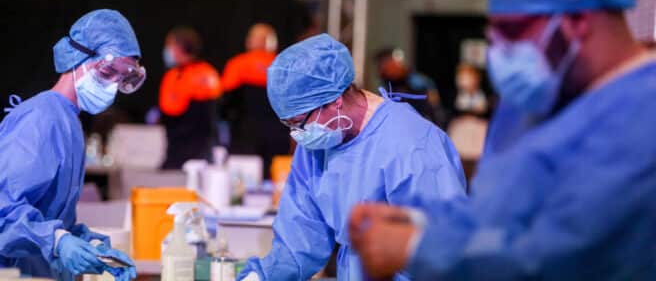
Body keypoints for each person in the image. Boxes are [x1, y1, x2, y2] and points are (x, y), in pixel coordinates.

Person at [349, 0, 656, 280]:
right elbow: (496, 216)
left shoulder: (642, 116)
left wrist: (418, 248)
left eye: (512, 31)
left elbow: (563, 253)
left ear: (577, 22)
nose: (500, 50)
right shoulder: (534, 103)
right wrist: (416, 221)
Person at [238, 34, 467, 281]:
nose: (298, 134)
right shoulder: (319, 141)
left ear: (334, 102)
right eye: (288, 124)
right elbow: (300, 237)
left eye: (298, 122)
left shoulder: (412, 146)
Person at [0, 9, 143, 280]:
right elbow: (3, 209)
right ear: (78, 56)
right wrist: (58, 242)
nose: (113, 86)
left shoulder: (68, 121)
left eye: (123, 78)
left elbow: (49, 217)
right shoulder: (40, 118)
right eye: (108, 71)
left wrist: (90, 245)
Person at [219, 23, 289, 178]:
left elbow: (224, 103)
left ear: (250, 41)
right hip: (278, 138)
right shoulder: (285, 67)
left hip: (245, 136)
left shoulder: (237, 65)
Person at [159, 26, 221, 169]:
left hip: (195, 159)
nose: (167, 50)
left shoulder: (204, 75)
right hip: (176, 155)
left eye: (169, 45)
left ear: (179, 47)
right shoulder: (174, 75)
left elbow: (205, 122)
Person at [375, 47, 446, 127]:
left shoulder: (418, 83)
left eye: (385, 64)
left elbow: (434, 111)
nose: (382, 70)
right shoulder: (386, 86)